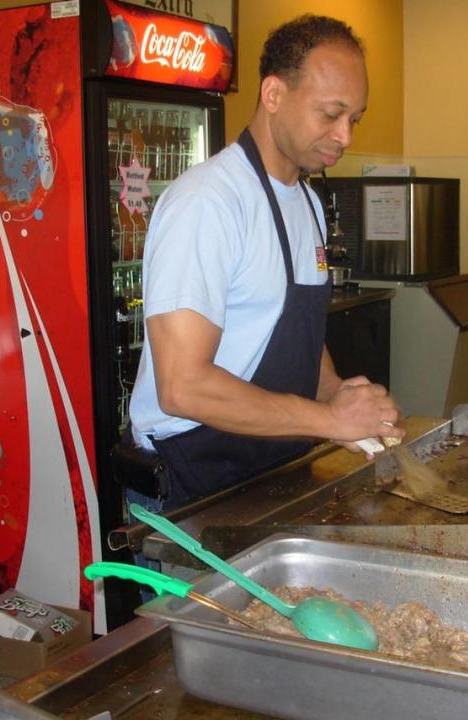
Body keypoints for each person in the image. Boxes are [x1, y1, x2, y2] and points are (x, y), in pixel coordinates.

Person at [126, 15, 404, 516]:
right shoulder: (209, 202)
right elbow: (182, 386)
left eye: (354, 118)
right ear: (273, 94)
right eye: (330, 114)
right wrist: (329, 420)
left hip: (270, 465)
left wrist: (337, 393)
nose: (344, 136)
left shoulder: (308, 203)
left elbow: (295, 331)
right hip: (194, 477)